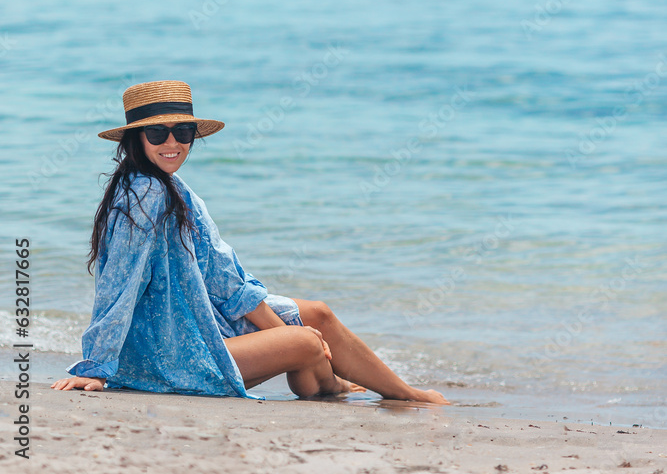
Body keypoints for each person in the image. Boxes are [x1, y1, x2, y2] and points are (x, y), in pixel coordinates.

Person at [52, 80, 448, 404]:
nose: (172, 142)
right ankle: (342, 385)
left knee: (317, 316)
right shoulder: (143, 197)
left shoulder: (175, 190)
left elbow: (227, 280)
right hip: (166, 357)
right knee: (306, 345)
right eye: (157, 132)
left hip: (193, 326)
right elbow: (117, 288)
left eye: (183, 131)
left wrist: (285, 333)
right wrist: (96, 368)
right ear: (136, 138)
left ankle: (388, 390)